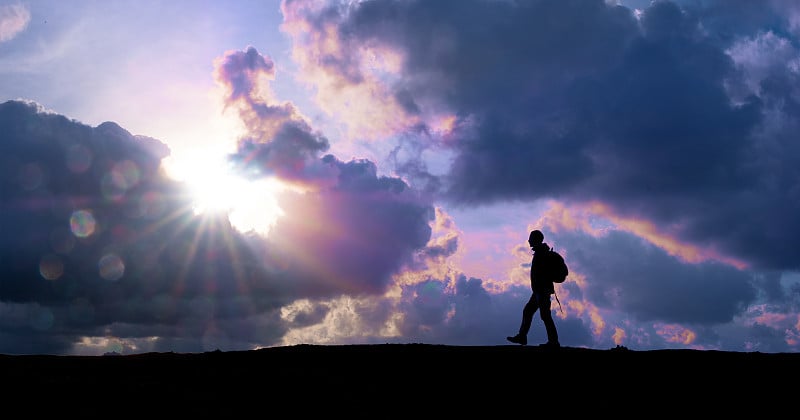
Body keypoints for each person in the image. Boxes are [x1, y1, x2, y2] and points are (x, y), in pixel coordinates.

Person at [507, 229, 560, 348]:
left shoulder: (541, 253)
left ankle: (553, 342)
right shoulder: (540, 252)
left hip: (542, 291)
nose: (528, 241)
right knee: (529, 311)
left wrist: (540, 287)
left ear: (535, 239)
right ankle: (522, 337)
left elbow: (542, 273)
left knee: (545, 315)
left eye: (530, 238)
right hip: (538, 291)